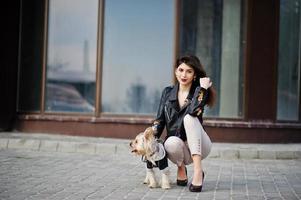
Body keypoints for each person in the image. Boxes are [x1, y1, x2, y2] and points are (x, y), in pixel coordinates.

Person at [151, 55, 216, 192]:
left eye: (189, 71)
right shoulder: (167, 93)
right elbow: (159, 120)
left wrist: (203, 89)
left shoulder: (199, 92)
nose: (184, 74)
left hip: (200, 145)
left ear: (194, 75)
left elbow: (193, 111)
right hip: (180, 147)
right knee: (169, 143)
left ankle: (198, 171)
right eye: (181, 70)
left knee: (189, 118)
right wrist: (149, 135)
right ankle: (181, 168)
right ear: (176, 72)